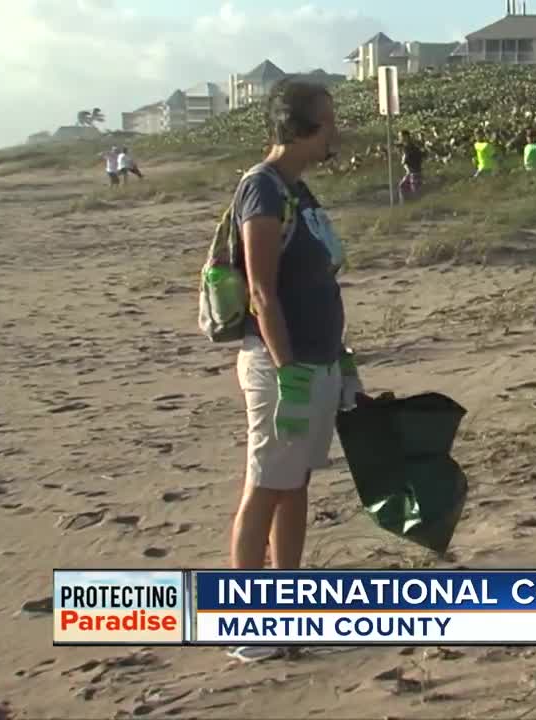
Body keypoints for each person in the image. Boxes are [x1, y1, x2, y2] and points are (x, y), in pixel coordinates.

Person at [225, 78, 365, 662]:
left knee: (296, 484)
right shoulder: (262, 190)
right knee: (266, 486)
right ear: (304, 128)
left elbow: (316, 281)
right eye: (328, 121)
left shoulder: (299, 191)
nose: (336, 131)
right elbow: (261, 291)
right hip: (280, 366)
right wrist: (289, 375)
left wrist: (341, 360)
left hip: (318, 359)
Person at [397, 130, 423, 199]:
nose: (399, 138)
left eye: (400, 136)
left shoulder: (411, 147)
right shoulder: (406, 146)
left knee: (416, 191)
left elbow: (406, 159)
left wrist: (404, 160)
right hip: (409, 173)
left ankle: (420, 205)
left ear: (406, 136)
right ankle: (406, 205)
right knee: (402, 187)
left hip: (414, 172)